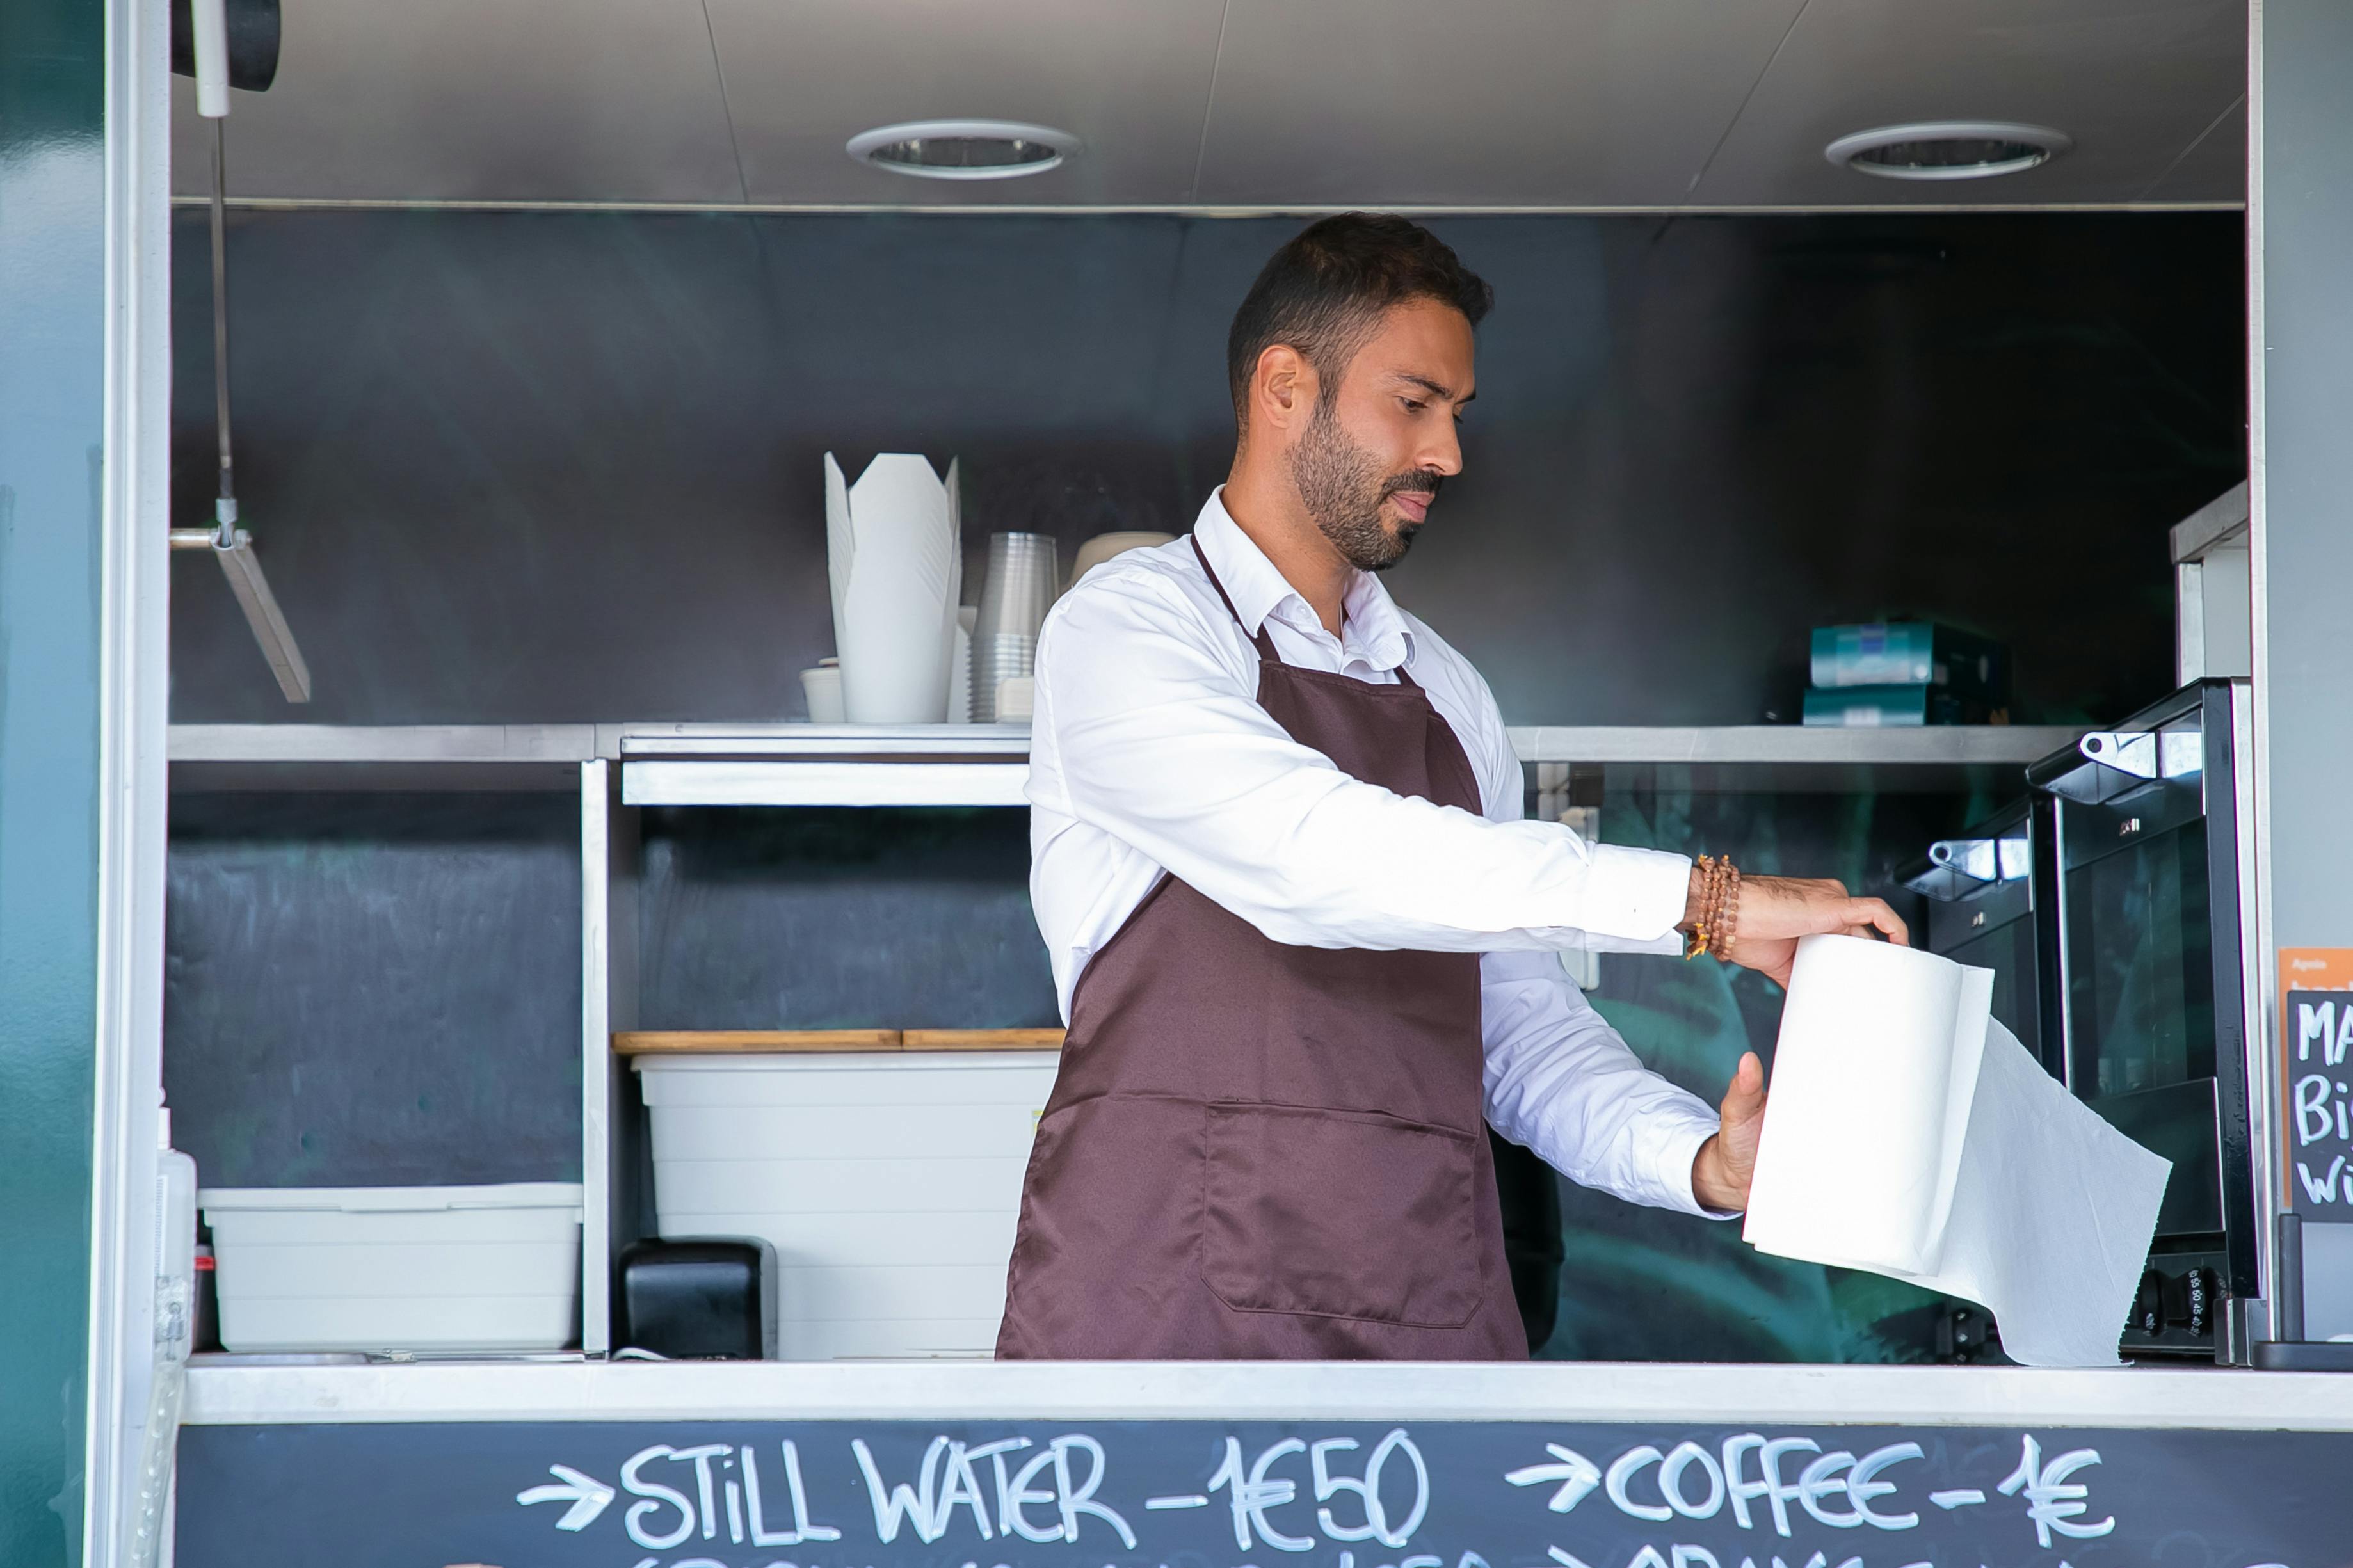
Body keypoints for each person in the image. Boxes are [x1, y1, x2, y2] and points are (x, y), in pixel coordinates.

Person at [997, 213, 1907, 1361]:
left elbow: (1519, 1033)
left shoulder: (1449, 692)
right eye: (1414, 402)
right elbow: (1311, 856)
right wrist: (1708, 903)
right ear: (1285, 387)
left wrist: (1702, 1162)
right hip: (1158, 1330)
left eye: (1457, 415)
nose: (1449, 454)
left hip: (1418, 1326)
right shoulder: (1126, 630)